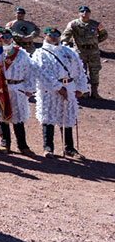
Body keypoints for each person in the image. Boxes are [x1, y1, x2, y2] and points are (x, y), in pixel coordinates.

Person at [33, 27, 88, 159]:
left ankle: (69, 148)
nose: (54, 37)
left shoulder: (68, 51)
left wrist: (81, 87)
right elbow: (41, 72)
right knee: (48, 117)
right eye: (51, 35)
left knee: (68, 117)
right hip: (50, 90)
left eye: (56, 34)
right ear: (45, 36)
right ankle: (48, 147)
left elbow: (79, 69)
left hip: (69, 86)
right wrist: (58, 87)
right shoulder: (40, 53)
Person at [62, 6, 108, 100]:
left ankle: (95, 92)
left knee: (95, 71)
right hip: (80, 51)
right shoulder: (73, 24)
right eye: (82, 11)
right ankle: (84, 91)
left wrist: (95, 41)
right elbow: (66, 35)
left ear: (89, 13)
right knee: (81, 71)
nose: (84, 13)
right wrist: (65, 44)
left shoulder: (95, 24)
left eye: (87, 11)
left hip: (93, 51)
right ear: (79, 13)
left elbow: (104, 34)